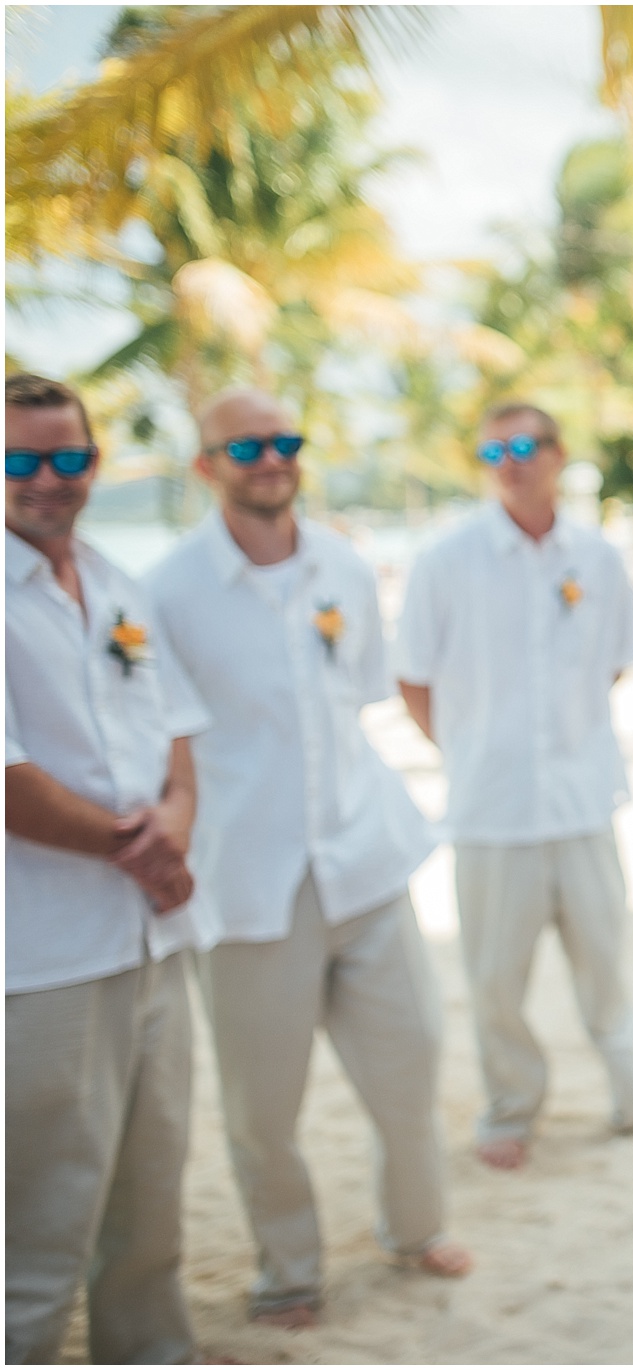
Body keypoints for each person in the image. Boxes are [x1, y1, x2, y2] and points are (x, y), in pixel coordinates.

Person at [147, 389, 472, 1328]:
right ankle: (288, 1269)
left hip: (365, 859)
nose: (269, 457)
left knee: (411, 1064)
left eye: (284, 440)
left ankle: (415, 1230)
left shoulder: (342, 562)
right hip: (245, 885)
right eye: (244, 445)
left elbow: (359, 700)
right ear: (205, 465)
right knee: (262, 1109)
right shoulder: (167, 590)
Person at [395, 400, 633, 1170]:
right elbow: (413, 680)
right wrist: (471, 750)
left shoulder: (597, 558)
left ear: (558, 454)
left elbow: (617, 660)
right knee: (496, 982)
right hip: (489, 810)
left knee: (605, 965)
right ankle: (510, 1110)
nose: (510, 461)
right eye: (492, 451)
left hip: (584, 799)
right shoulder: (444, 559)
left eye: (524, 445)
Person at [5, 373, 207, 1362]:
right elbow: (10, 782)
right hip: (42, 956)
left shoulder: (123, 581)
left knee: (151, 1196)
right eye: (22, 459)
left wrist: (172, 828)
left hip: (155, 938)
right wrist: (142, 853)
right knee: (41, 1220)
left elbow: (174, 737)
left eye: (70, 457)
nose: (49, 478)